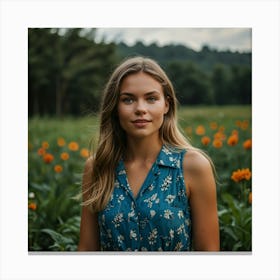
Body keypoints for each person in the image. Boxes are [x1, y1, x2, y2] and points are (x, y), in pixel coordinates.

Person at [78, 56, 219, 251]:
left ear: (166, 105)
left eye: (151, 98)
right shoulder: (97, 168)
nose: (140, 109)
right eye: (128, 100)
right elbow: (86, 251)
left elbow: (209, 255)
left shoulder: (193, 166)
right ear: (115, 108)